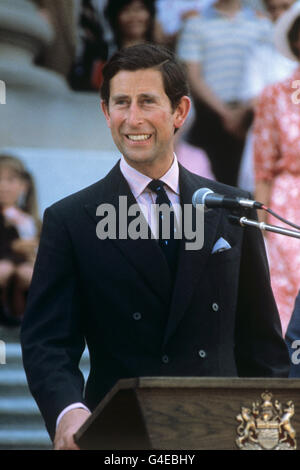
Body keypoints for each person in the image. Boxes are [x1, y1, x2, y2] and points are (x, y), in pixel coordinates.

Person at [21, 43, 290, 451]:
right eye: (121, 103)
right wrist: (68, 411)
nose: (133, 119)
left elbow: (262, 345)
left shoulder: (233, 209)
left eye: (147, 102)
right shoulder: (70, 220)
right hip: (120, 435)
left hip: (221, 432)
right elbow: (48, 344)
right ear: (105, 113)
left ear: (179, 111)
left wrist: (280, 432)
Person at [176, 0, 272, 186]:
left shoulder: (261, 23)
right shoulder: (195, 23)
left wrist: (242, 112)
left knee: (252, 187)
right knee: (210, 187)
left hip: (253, 116)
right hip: (210, 118)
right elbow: (193, 77)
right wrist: (226, 114)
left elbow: (269, 72)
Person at [253, 1, 300, 336]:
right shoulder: (275, 95)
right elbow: (263, 168)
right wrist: (260, 231)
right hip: (287, 207)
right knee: (283, 303)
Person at [238, 0, 297, 193]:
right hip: (269, 142)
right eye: (273, 8)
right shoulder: (260, 53)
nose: (279, 13)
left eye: (285, 7)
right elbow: (255, 100)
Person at [0, 155, 40, 325]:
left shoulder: (32, 221)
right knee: (5, 269)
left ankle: (25, 319)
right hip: (7, 266)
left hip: (23, 270)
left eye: (10, 180)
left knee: (30, 273)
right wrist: (15, 248)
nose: (3, 186)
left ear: (24, 186)